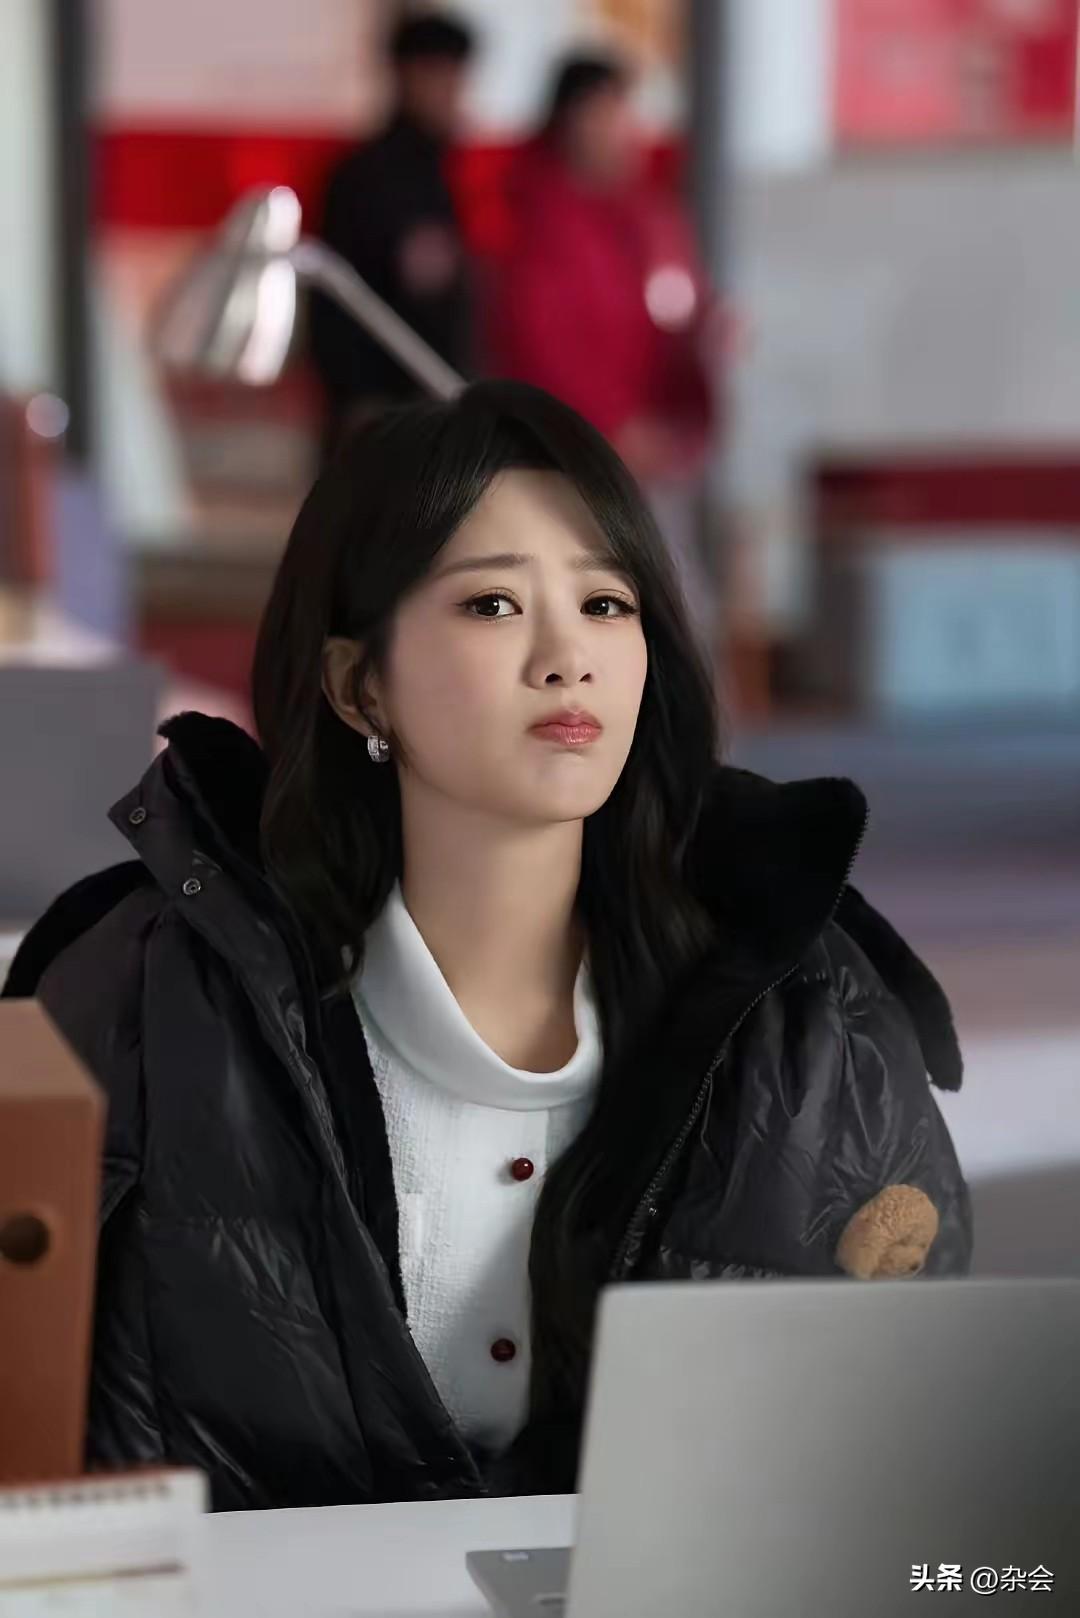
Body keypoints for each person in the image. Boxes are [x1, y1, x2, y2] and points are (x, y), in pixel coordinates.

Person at [4, 382, 971, 1512]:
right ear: (360, 685)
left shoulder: (812, 1015)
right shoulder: (142, 994)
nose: (568, 656)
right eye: (493, 604)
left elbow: (925, 1480)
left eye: (606, 603)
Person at [491, 53, 719, 652]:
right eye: (605, 113)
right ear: (570, 121)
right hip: (579, 455)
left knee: (674, 612)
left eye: (624, 112)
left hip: (654, 449)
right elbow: (541, 343)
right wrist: (612, 426)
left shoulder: (648, 216)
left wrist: (703, 341)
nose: (621, 128)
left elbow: (672, 309)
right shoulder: (539, 222)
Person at [308, 11, 474, 457]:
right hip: (378, 423)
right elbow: (332, 303)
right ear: (407, 75)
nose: (453, 93)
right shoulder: (362, 178)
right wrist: (357, 399)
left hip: (434, 411)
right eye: (441, 76)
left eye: (459, 78)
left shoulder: (445, 175)